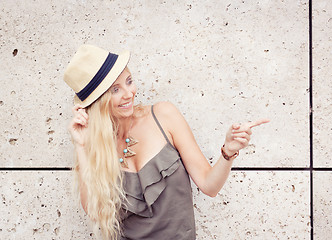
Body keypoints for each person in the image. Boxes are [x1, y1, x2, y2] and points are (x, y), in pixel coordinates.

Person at [64, 44, 269, 240]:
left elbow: (209, 186)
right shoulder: (98, 145)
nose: (129, 94)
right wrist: (81, 146)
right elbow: (95, 212)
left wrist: (228, 152)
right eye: (115, 90)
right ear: (98, 102)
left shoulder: (163, 115)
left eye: (129, 81)